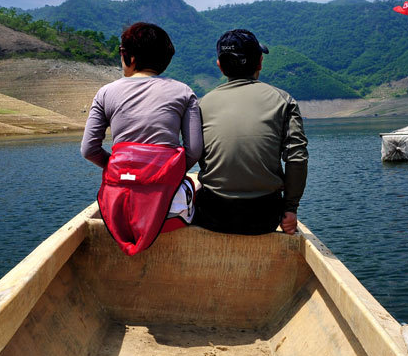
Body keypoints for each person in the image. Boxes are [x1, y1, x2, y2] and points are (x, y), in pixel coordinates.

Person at [81, 22, 202, 254]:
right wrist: (166, 170)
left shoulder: (106, 93)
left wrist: (121, 167)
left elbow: (89, 150)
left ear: (130, 57)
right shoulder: (184, 92)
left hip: (119, 212)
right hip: (169, 214)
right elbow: (194, 150)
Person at [195, 29, 308, 235]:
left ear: (220, 66)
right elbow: (297, 157)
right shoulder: (284, 100)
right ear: (260, 62)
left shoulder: (201, 105)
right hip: (264, 217)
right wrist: (290, 209)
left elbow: (193, 153)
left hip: (213, 215)